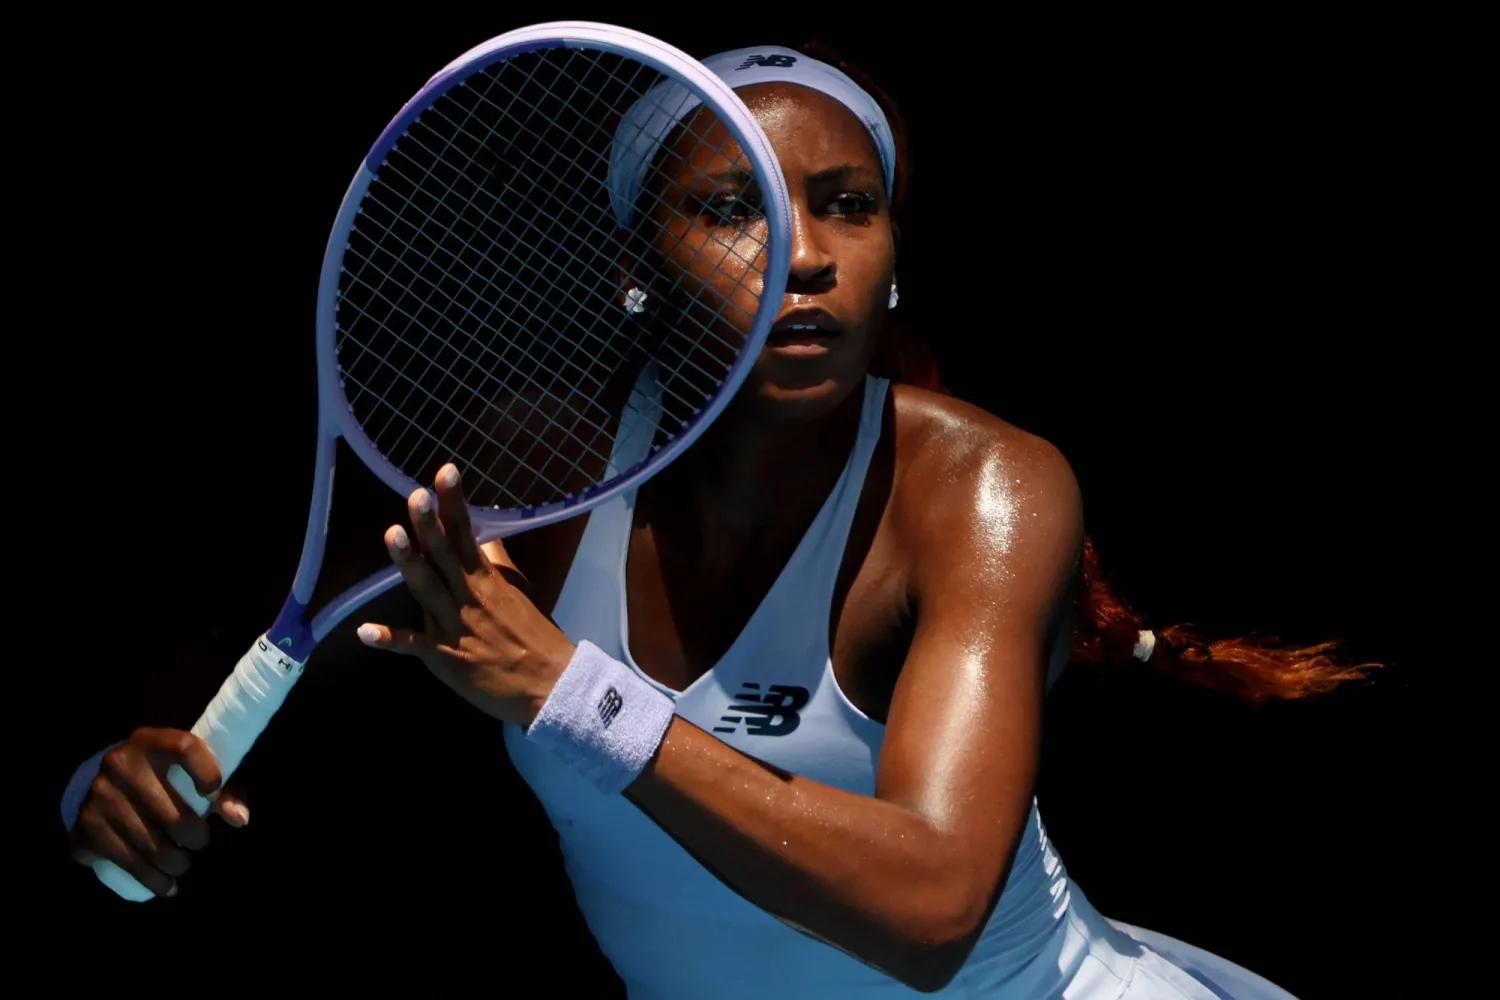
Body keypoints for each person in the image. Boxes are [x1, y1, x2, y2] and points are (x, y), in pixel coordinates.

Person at [61, 40, 1374, 997]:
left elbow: (930, 909)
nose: (803, 254)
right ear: (636, 267)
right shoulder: (537, 477)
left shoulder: (980, 490)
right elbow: (245, 670)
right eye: (731, 207)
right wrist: (115, 782)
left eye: (847, 205)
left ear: (892, 257)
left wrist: (573, 693)